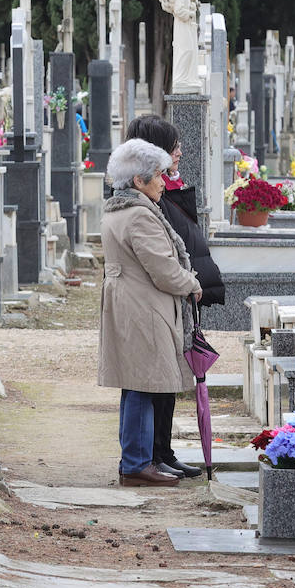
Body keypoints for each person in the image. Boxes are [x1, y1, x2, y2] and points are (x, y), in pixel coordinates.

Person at [98, 138, 203, 488]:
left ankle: (136, 460)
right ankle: (137, 463)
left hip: (131, 304)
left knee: (135, 385)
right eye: (158, 175)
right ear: (139, 181)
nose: (163, 181)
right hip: (143, 308)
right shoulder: (140, 215)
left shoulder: (119, 210)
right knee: (143, 385)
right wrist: (191, 282)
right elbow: (163, 269)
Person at [124, 115, 223, 480]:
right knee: (156, 383)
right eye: (173, 146)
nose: (180, 152)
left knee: (169, 382)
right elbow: (165, 257)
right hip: (162, 300)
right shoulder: (142, 198)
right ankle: (152, 454)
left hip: (180, 297)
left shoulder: (166, 190)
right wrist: (192, 283)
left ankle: (163, 451)